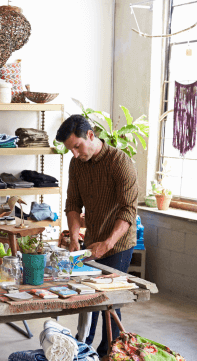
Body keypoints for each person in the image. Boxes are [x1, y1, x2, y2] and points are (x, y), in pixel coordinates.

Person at [55, 114, 138, 357]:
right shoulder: (77, 164)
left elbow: (129, 210)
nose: (75, 154)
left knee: (108, 300)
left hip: (119, 242)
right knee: (88, 295)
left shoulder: (120, 163)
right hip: (92, 240)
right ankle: (84, 348)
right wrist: (73, 237)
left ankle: (110, 350)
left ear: (90, 135)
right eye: (71, 149)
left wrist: (109, 242)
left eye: (77, 146)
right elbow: (73, 203)